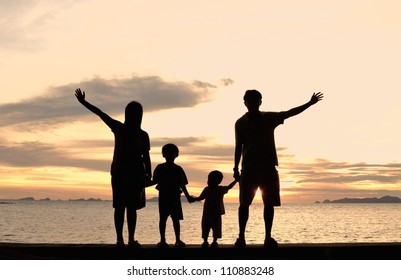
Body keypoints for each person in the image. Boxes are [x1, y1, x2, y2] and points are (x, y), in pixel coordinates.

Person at [233, 89, 323, 248]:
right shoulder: (240, 123)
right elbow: (238, 146)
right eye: (249, 100)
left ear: (260, 102)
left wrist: (310, 103)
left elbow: (289, 113)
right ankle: (241, 237)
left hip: (268, 167)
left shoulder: (269, 118)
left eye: (256, 100)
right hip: (249, 168)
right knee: (244, 204)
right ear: (245, 102)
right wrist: (235, 168)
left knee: (269, 204)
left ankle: (268, 237)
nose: (253, 103)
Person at [74, 88, 151, 248]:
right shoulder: (119, 128)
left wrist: (148, 174)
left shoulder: (143, 135)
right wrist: (83, 102)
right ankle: (120, 240)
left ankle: (129, 239)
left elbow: (146, 156)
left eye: (137, 113)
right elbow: (101, 114)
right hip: (120, 174)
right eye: (133, 113)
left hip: (135, 174)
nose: (135, 116)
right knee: (120, 207)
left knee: (131, 208)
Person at [150, 143, 194, 248]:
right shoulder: (162, 168)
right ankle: (164, 240)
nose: (170, 155)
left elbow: (182, 184)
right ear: (164, 155)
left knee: (174, 219)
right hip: (166, 196)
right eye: (168, 153)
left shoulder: (176, 169)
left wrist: (187, 196)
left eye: (172, 153)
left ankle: (176, 240)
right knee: (164, 218)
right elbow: (155, 181)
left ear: (176, 155)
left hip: (173, 196)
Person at [193, 170, 237, 248]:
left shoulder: (208, 189)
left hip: (208, 212)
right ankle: (213, 241)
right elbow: (229, 187)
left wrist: (193, 199)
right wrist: (236, 180)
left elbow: (200, 198)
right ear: (219, 180)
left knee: (207, 227)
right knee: (215, 227)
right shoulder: (219, 189)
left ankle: (206, 241)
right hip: (215, 212)